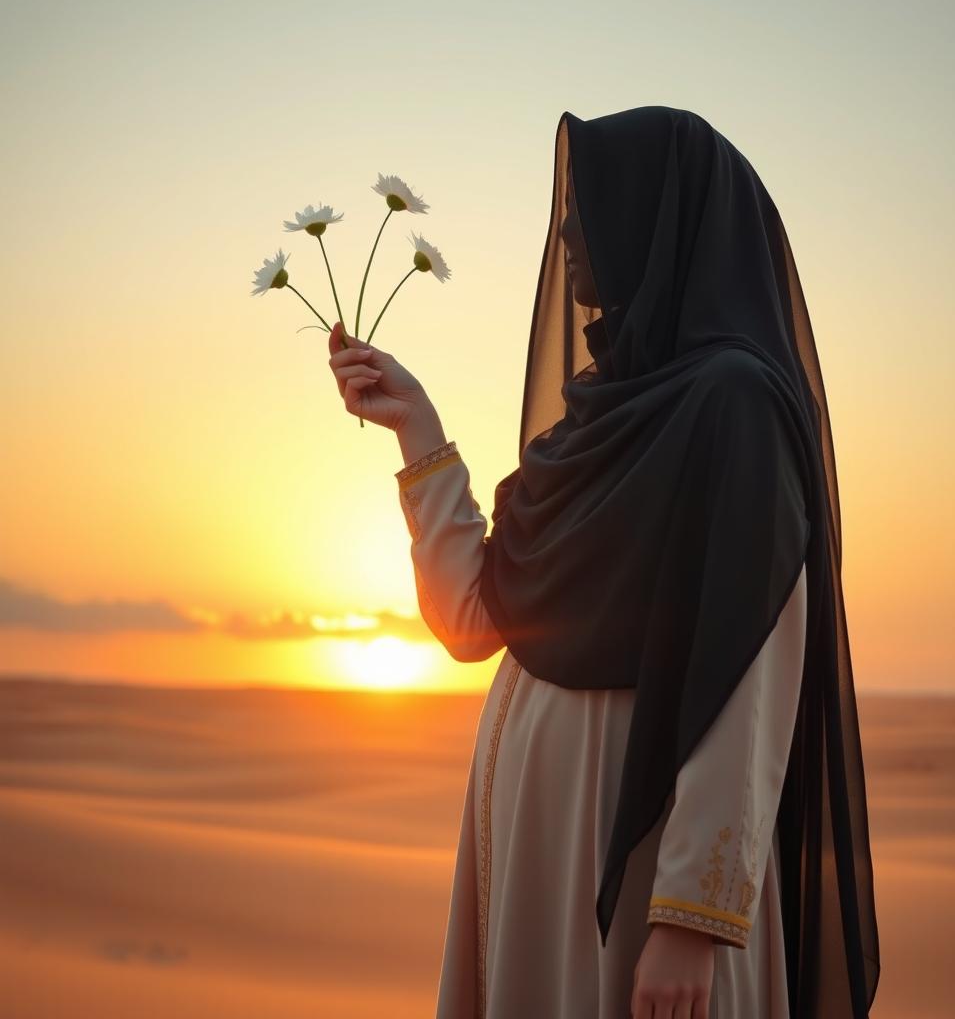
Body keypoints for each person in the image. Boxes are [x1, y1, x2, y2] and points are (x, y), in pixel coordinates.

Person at [327, 106, 880, 1019]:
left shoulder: (735, 404)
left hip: (646, 869)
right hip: (541, 854)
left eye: (593, 205)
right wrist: (415, 427)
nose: (570, 231)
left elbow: (751, 665)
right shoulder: (597, 413)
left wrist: (693, 916)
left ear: (661, 220)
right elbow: (474, 618)